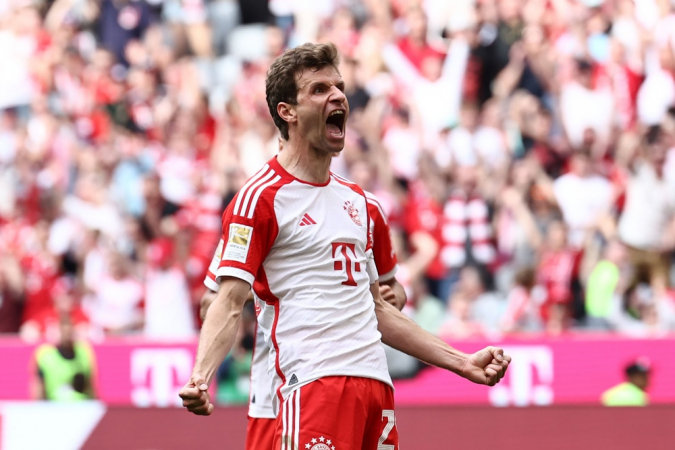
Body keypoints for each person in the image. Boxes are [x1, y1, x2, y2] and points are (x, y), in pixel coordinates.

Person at [179, 42, 510, 450]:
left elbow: (380, 306)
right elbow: (224, 301)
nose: (337, 95)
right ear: (288, 112)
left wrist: (461, 362)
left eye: (338, 86)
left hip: (375, 387)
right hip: (308, 384)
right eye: (319, 89)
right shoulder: (260, 198)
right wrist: (201, 375)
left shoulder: (364, 205)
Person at [199, 187, 407, 450]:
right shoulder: (259, 204)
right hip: (274, 385)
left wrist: (392, 300)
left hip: (351, 372)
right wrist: (270, 289)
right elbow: (211, 302)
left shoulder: (365, 205)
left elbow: (393, 287)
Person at [32, 315, 97, 401]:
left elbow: (90, 386)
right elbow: (39, 388)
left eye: (69, 329)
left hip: (80, 408)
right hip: (54, 408)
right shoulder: (45, 356)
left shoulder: (84, 354)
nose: (67, 334)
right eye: (63, 329)